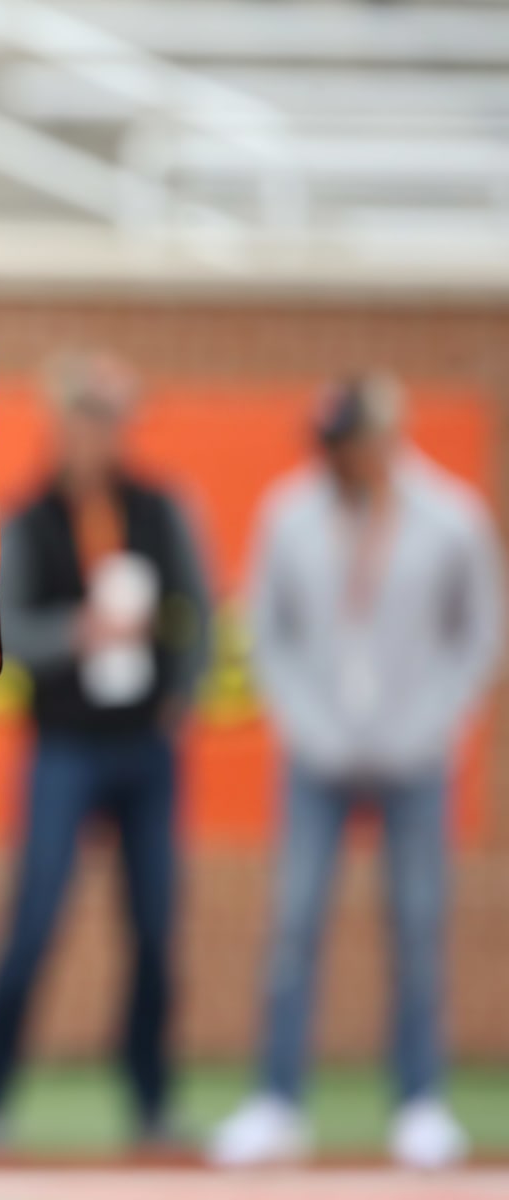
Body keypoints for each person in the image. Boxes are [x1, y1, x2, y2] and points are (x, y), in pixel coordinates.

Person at [210, 374, 502, 1170]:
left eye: (350, 442)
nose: (338, 457)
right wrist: (306, 723)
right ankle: (278, 1101)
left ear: (384, 439)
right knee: (295, 923)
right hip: (318, 756)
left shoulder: (450, 517)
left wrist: (436, 722)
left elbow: (478, 635)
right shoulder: (290, 512)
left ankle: (420, 1103)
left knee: (416, 924)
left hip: (415, 757)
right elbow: (267, 631)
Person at [0, 353, 211, 1145]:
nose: (96, 434)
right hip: (66, 746)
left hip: (146, 746)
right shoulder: (33, 518)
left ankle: (150, 1102)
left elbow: (198, 609)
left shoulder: (158, 509)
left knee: (154, 926)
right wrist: (76, 635)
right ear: (63, 425)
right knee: (35, 919)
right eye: (84, 418)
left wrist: (182, 688)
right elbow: (9, 626)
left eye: (109, 419)